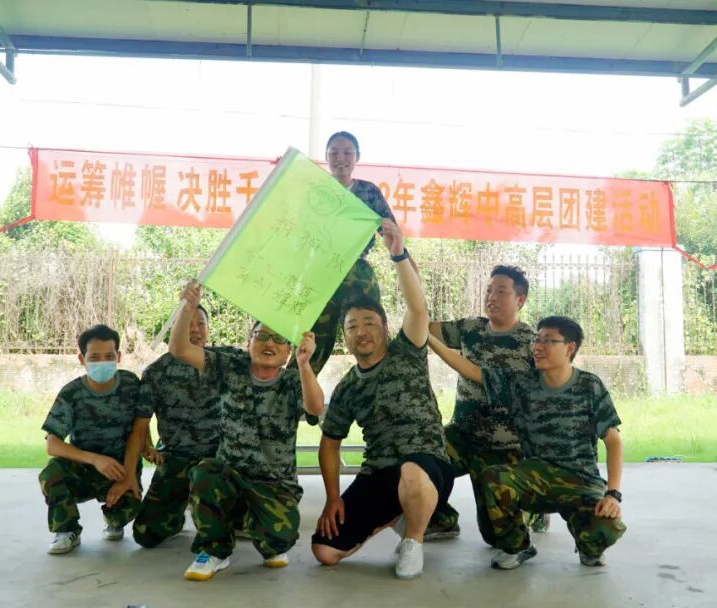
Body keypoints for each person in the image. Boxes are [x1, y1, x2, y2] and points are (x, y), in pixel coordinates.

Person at [311, 219, 454, 580]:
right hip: (380, 470)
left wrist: (398, 254)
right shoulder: (347, 387)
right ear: (345, 337)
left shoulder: (407, 352)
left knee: (412, 473)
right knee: (325, 550)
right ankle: (396, 514)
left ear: (385, 328)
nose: (361, 331)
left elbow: (418, 309)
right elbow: (329, 444)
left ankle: (413, 540)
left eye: (369, 323)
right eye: (352, 326)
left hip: (427, 464)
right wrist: (333, 498)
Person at [427, 316, 626, 570]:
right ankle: (518, 546)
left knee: (606, 527)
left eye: (548, 341)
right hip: (535, 475)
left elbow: (613, 440)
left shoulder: (590, 385)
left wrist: (613, 494)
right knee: (494, 478)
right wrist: (428, 339)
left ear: (570, 348)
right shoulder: (522, 384)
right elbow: (472, 371)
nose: (538, 347)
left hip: (580, 480)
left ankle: (588, 545)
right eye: (537, 340)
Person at [169, 280, 326, 581]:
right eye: (261, 336)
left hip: (273, 484)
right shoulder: (230, 368)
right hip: (230, 475)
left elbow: (316, 408)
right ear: (248, 342)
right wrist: (187, 309)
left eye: (279, 340)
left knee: (279, 539)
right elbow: (179, 349)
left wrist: (305, 365)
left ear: (288, 352)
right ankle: (215, 551)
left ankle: (254, 526)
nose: (269, 344)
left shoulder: (293, 381)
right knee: (204, 473)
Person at [424, 265, 549, 543]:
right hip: (462, 437)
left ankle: (534, 508)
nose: (491, 297)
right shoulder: (470, 328)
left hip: (504, 449)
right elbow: (422, 324)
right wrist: (405, 263)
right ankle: (441, 519)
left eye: (501, 291)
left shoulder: (530, 344)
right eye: (489, 290)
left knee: (496, 538)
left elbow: (477, 374)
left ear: (520, 300)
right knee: (420, 460)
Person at [105, 304, 226, 550]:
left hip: (219, 459)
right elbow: (140, 425)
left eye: (201, 323)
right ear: (175, 329)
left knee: (222, 511)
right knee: (145, 535)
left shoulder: (225, 363)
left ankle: (224, 514)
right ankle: (177, 516)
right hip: (176, 458)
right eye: (188, 323)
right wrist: (129, 474)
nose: (195, 329)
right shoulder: (156, 372)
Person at [38, 324, 143, 555]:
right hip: (83, 468)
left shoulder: (131, 385)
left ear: (119, 357)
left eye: (109, 356)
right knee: (52, 472)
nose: (102, 362)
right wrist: (95, 459)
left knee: (129, 507)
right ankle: (66, 530)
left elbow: (140, 427)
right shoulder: (72, 393)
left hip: (120, 469)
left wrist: (131, 472)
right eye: (94, 357)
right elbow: (52, 444)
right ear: (81, 359)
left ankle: (114, 520)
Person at [305, 131, 396, 374]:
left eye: (347, 152)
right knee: (314, 341)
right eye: (334, 152)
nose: (341, 158)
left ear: (357, 157)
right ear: (326, 157)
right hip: (321, 274)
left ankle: (379, 388)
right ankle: (299, 393)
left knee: (370, 334)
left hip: (358, 274)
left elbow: (391, 233)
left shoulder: (369, 192)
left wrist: (405, 264)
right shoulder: (315, 192)